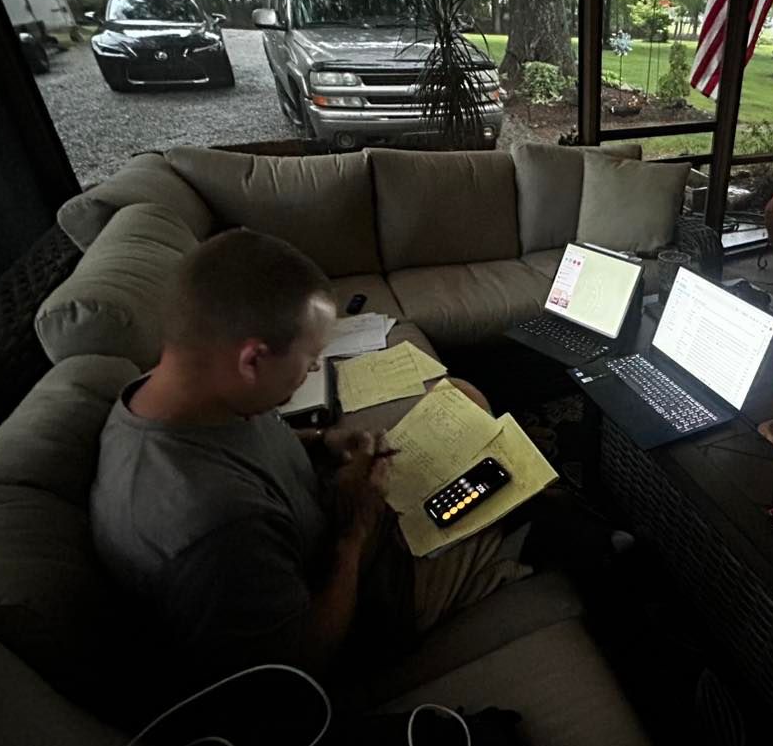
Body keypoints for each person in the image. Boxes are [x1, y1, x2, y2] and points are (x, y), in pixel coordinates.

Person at [90, 229, 536, 684]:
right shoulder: (213, 525)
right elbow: (304, 662)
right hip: (369, 599)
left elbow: (247, 440)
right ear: (253, 361)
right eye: (310, 358)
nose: (314, 370)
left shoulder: (182, 389)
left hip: (341, 522)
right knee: (531, 498)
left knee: (463, 397)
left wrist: (322, 440)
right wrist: (355, 532)